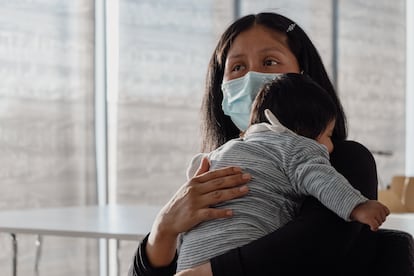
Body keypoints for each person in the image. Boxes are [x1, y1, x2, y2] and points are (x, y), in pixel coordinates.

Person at [128, 12, 414, 276]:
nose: (252, 77)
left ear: (304, 77)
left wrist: (209, 272)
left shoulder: (345, 161)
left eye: (270, 62)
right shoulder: (213, 165)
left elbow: (311, 247)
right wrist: (164, 229)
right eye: (237, 67)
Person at [176, 73, 390, 271]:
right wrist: (357, 206)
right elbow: (323, 180)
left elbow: (194, 179)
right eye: (328, 134)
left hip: (188, 260)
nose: (331, 145)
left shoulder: (221, 151)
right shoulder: (296, 146)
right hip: (240, 253)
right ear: (302, 130)